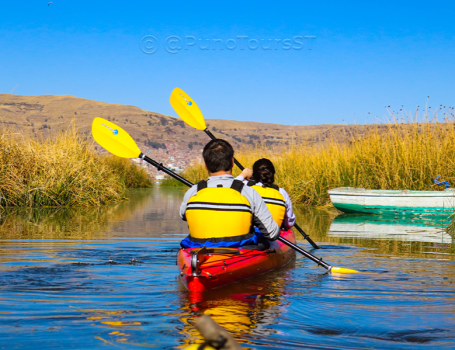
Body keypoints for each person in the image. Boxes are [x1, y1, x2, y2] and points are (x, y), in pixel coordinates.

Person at [180, 139, 280, 249]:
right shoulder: (248, 192)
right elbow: (272, 233)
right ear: (232, 162)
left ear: (205, 165)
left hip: (198, 251)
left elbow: (184, 215)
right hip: (238, 254)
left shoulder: (193, 191)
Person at [238, 158, 295, 230]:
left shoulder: (244, 186)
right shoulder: (281, 192)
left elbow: (229, 188)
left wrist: (243, 175)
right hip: (272, 236)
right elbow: (289, 223)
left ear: (253, 174)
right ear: (273, 174)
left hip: (249, 234)